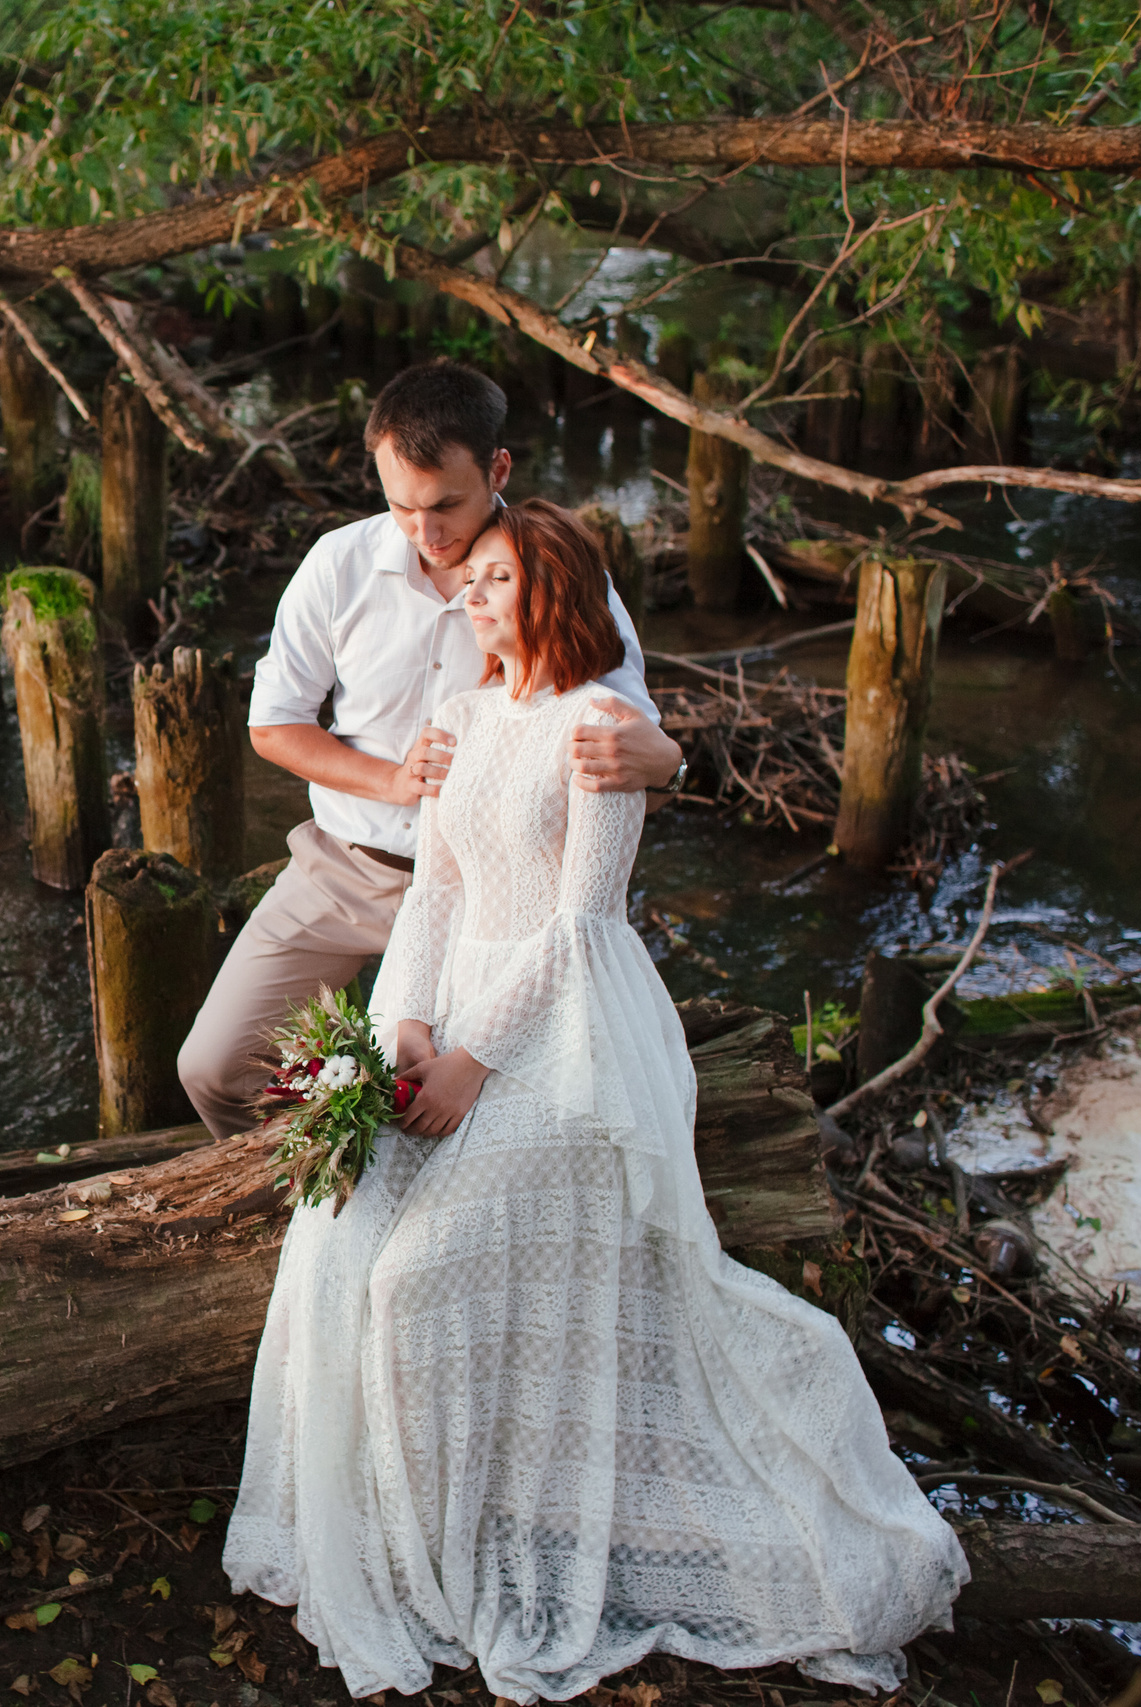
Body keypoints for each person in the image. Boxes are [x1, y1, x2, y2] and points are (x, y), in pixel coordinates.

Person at [223, 500, 966, 1701]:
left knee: (420, 1278)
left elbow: (580, 923)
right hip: (449, 1003)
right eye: (470, 584)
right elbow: (432, 897)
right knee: (341, 1238)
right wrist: (408, 1024)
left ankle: (487, 1546)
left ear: (551, 595)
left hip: (565, 1035)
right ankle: (403, 1539)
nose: (469, 597)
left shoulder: (600, 727)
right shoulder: (456, 719)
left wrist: (474, 1061)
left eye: (495, 579)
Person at [176, 361, 684, 1139]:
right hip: (348, 867)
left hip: (504, 889)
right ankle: (323, 1197)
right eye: (401, 506)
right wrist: (391, 779)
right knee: (213, 1066)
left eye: (446, 504)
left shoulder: (561, 574)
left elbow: (629, 744)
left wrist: (671, 762)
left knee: (504, 1110)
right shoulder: (338, 566)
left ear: (497, 468)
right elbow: (272, 725)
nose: (427, 533)